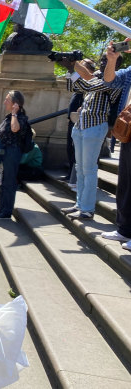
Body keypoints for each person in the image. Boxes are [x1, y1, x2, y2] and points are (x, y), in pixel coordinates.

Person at [58, 56, 122, 220]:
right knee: (80, 168)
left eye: (106, 61)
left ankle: (87, 209)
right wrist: (71, 70)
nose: (101, 63)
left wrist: (74, 67)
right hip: (81, 126)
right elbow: (75, 87)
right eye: (102, 60)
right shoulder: (96, 77)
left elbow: (88, 84)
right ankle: (80, 204)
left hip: (95, 127)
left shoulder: (115, 79)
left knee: (89, 169)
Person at [101, 38, 131, 250]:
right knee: (126, 182)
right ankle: (124, 229)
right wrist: (112, 59)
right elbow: (109, 80)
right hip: (128, 132)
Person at [0, 90, 30, 220]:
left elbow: (14, 129)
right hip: (5, 151)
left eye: (7, 100)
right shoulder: (9, 117)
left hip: (13, 152)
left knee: (9, 182)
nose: (4, 102)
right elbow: (3, 132)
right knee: (4, 181)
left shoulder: (20, 118)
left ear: (15, 104)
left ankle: (6, 211)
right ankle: (1, 207)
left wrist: (15, 113)